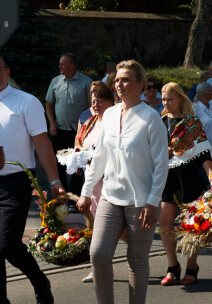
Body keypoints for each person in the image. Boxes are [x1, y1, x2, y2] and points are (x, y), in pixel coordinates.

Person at [76, 60, 169, 304]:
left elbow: (161, 165)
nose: (119, 84)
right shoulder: (109, 114)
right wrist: (86, 191)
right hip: (110, 195)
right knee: (98, 254)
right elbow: (99, 157)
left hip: (141, 200)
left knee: (137, 259)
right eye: (117, 79)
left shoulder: (151, 119)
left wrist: (152, 202)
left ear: (140, 83)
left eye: (125, 79)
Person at [0, 55, 65, 304]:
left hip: (16, 182)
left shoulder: (25, 101)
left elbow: (41, 143)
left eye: (0, 69)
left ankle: (40, 281)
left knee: (7, 244)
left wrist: (54, 181)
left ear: (8, 71)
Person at [158, 82, 212, 286]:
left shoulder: (192, 123)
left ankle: (192, 265)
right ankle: (173, 266)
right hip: (167, 178)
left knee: (193, 225)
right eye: (163, 99)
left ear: (180, 99)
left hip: (190, 177)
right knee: (164, 222)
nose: (166, 102)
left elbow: (204, 154)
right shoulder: (159, 121)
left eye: (170, 99)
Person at [74, 82, 119, 284]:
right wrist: (76, 158)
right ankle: (97, 268)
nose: (96, 103)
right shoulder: (90, 122)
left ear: (111, 101)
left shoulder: (115, 122)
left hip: (110, 182)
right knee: (93, 226)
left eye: (101, 99)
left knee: (108, 229)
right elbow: (80, 144)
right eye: (93, 99)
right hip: (91, 183)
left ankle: (136, 257)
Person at [45, 52, 92, 192]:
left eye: (63, 64)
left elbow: (92, 106)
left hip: (78, 132)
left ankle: (75, 198)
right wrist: (52, 123)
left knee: (77, 165)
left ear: (72, 66)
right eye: (60, 63)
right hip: (59, 130)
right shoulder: (56, 81)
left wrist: (87, 127)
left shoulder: (86, 82)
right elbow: (48, 104)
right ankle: (63, 195)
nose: (60, 66)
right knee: (58, 165)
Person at [194, 82, 212, 156]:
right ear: (202, 93)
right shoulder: (195, 108)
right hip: (207, 153)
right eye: (210, 91)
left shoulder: (211, 106)